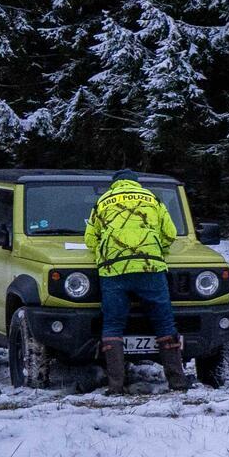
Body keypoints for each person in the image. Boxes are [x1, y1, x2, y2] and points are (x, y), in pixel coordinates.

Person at [85, 169, 188, 394]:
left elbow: (90, 240)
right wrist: (154, 248)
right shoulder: (153, 199)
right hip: (150, 268)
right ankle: (178, 383)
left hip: (114, 271)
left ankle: (115, 386)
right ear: (135, 183)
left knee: (113, 325)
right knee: (164, 323)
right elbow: (170, 234)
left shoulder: (102, 202)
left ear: (115, 184)